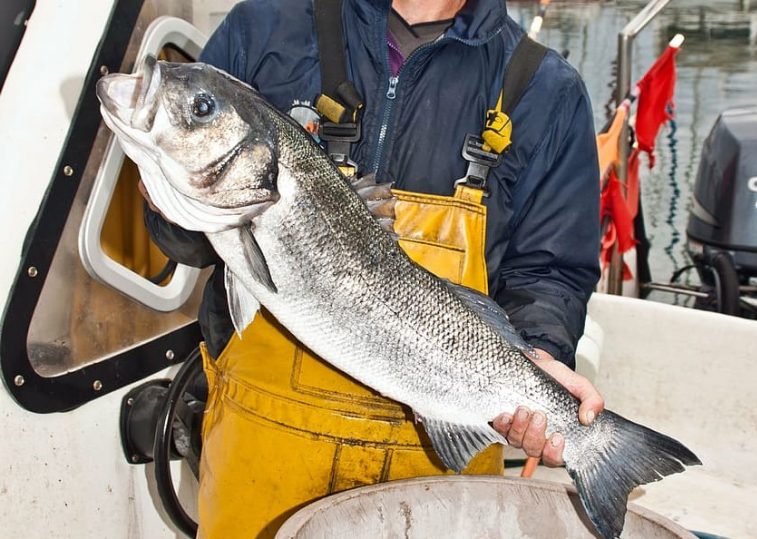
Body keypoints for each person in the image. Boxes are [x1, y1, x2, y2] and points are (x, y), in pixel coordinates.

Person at [143, 0, 604, 535]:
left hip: (436, 460)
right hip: (264, 449)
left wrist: (539, 355)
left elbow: (548, 272)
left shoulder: (545, 88)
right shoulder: (266, 28)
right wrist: (169, 197)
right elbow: (190, 246)